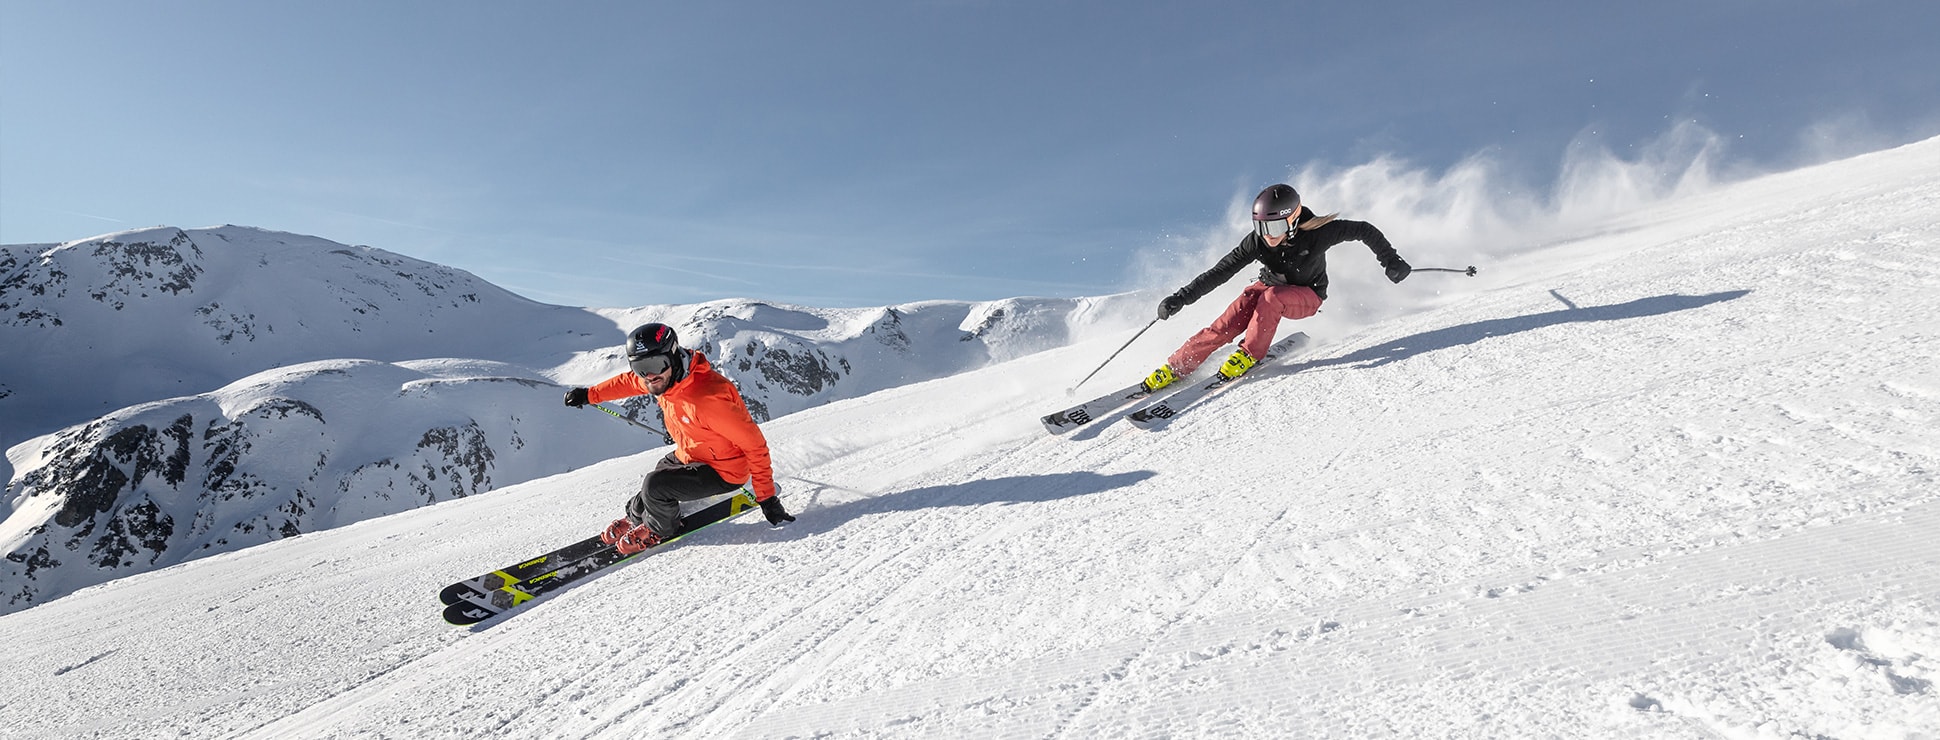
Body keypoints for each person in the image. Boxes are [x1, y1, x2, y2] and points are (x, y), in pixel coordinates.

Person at [1144, 183, 1411, 389]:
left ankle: (1249, 355)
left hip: (1308, 295)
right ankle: (1177, 366)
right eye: (1262, 227)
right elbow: (1221, 271)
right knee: (1227, 324)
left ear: (1292, 220)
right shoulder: (1258, 241)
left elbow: (1364, 230)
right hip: (1269, 287)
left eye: (1275, 226)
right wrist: (1181, 297)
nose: (1268, 234)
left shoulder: (1319, 233)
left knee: (1271, 298)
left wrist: (1391, 260)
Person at [564, 323, 793, 555]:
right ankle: (636, 517)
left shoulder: (707, 399)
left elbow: (754, 445)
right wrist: (589, 395)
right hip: (692, 454)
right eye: (640, 368)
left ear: (673, 356)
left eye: (654, 365)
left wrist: (767, 498)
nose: (649, 376)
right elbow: (627, 382)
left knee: (656, 486)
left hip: (725, 471)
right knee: (656, 479)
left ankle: (660, 529)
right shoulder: (664, 380)